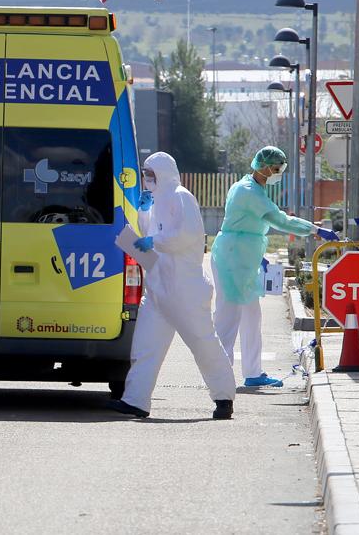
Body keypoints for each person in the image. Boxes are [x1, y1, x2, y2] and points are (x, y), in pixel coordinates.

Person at [109, 152, 237, 420]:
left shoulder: (181, 196)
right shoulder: (155, 202)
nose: (146, 178)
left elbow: (187, 235)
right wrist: (143, 212)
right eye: (145, 173)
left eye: (150, 173)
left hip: (184, 291)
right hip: (158, 289)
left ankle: (224, 397)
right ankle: (136, 401)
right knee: (145, 347)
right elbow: (149, 233)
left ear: (163, 173)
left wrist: (155, 242)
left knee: (204, 345)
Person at [211, 146, 340, 388]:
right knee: (227, 319)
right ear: (265, 167)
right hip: (232, 260)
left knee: (251, 317)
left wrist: (255, 255)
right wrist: (315, 230)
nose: (279, 172)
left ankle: (252, 373)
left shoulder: (250, 186)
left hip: (241, 258)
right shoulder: (249, 192)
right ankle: (219, 377)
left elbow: (246, 225)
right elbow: (279, 220)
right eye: (277, 168)